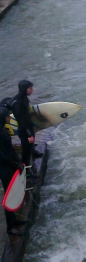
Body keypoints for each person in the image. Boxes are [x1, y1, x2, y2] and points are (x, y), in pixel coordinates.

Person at [0, 107, 25, 236]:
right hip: (4, 168)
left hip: (10, 165)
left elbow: (10, 150)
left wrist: (19, 162)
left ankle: (14, 220)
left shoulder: (4, 130)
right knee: (9, 196)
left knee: (14, 191)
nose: (9, 118)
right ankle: (10, 228)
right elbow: (3, 156)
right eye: (7, 116)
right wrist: (15, 164)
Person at [11, 79, 37, 180]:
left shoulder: (24, 98)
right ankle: (27, 174)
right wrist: (29, 135)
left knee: (30, 148)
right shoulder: (17, 102)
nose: (32, 90)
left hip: (29, 128)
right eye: (30, 88)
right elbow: (20, 120)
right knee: (25, 153)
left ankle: (33, 152)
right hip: (24, 130)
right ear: (24, 89)